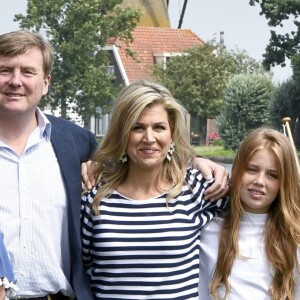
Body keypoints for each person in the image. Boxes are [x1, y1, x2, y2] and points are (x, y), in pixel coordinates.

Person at [0, 30, 229, 299]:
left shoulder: (75, 143)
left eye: (28, 72)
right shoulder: (97, 201)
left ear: (46, 82)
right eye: (5, 70)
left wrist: (196, 160)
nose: (16, 81)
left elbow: (255, 212)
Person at [81, 80, 228, 300]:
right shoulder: (94, 197)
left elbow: (260, 208)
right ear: (122, 134)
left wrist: (198, 162)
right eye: (137, 127)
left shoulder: (196, 188)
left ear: (172, 134)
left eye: (159, 127)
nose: (149, 138)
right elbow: (79, 270)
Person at [199, 127, 300, 299]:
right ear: (237, 169)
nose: (260, 181)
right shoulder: (205, 225)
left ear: (285, 182)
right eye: (252, 170)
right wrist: (195, 161)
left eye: (272, 175)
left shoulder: (294, 238)